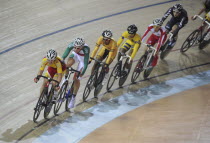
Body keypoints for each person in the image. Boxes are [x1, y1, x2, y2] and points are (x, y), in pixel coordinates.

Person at [62, 37, 90, 109]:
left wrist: (82, 72)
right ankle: (65, 79)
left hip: (83, 60)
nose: (76, 49)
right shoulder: (72, 45)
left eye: (78, 48)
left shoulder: (86, 49)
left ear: (82, 47)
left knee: (76, 79)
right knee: (67, 65)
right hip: (76, 56)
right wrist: (62, 59)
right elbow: (65, 53)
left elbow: (86, 63)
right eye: (75, 47)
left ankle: (73, 97)